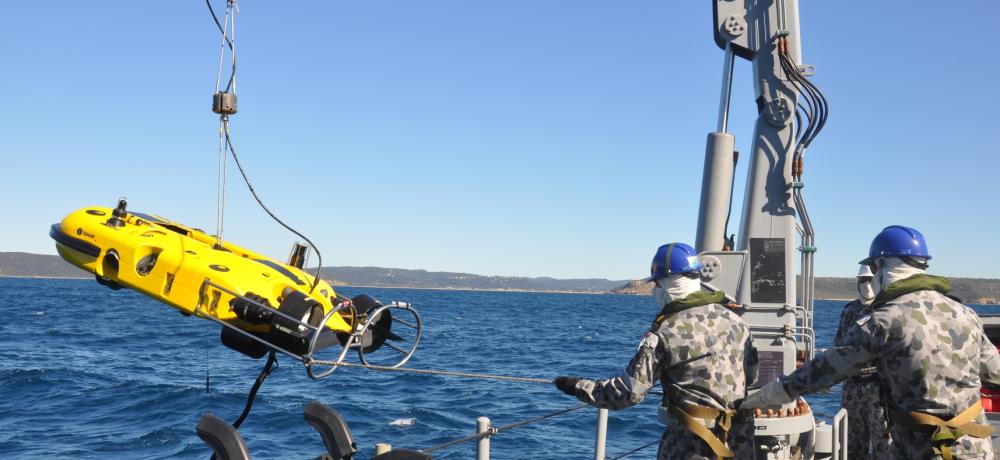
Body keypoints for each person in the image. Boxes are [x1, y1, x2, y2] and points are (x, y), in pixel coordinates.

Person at [744, 225, 1000, 460]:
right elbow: (994, 371)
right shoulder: (965, 313)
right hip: (974, 447)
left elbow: (826, 369)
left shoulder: (884, 320)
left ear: (881, 266)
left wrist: (773, 392)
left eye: (874, 269)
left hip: (920, 449)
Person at [554, 242, 759, 460]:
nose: (655, 290)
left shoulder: (665, 331)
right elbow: (752, 375)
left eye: (657, 284)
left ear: (669, 283)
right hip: (739, 445)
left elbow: (627, 393)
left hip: (692, 447)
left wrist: (577, 386)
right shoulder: (736, 321)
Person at [835, 265, 890, 459]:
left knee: (883, 445)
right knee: (851, 444)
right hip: (853, 385)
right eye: (862, 280)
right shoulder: (850, 311)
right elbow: (839, 346)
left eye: (869, 279)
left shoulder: (887, 312)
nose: (866, 284)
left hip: (879, 387)